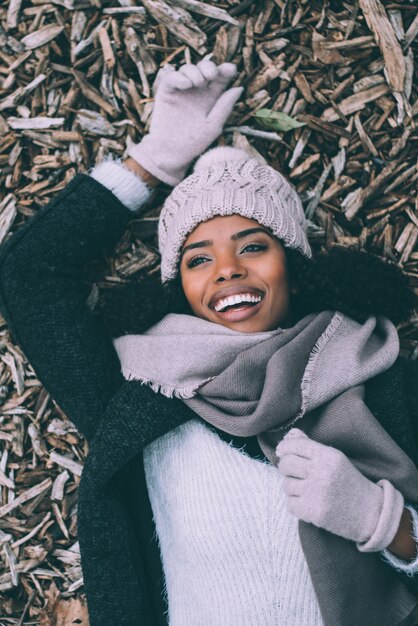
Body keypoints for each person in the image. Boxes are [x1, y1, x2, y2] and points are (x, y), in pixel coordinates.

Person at [0, 60, 418, 626]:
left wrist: (382, 521)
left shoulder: (380, 379)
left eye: (252, 247)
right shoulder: (141, 393)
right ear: (182, 290)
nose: (226, 270)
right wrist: (154, 160)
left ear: (293, 269)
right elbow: (31, 276)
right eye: (198, 259)